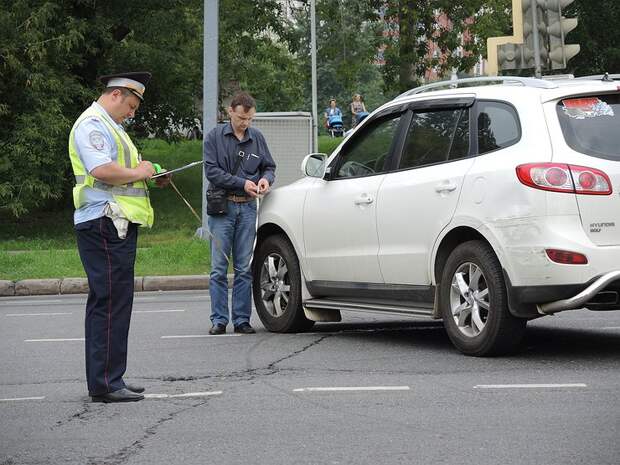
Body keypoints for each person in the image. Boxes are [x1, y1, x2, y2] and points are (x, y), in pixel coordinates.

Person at [69, 71, 170, 403]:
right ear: (116, 95)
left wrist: (149, 173)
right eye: (131, 106)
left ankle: (113, 376)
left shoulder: (112, 127)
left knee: (115, 301)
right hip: (104, 222)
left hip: (113, 222)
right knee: (110, 301)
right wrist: (139, 172)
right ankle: (105, 384)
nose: (132, 113)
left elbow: (124, 170)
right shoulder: (92, 125)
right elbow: (102, 171)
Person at [203, 92, 276, 335]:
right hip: (223, 208)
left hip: (247, 207)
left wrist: (265, 180)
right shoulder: (214, 137)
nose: (246, 123)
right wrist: (241, 183)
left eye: (250, 119)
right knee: (218, 268)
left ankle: (242, 319)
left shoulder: (257, 138)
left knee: (244, 267)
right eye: (242, 118)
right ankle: (219, 320)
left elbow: (269, 166)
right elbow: (212, 172)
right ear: (230, 112)